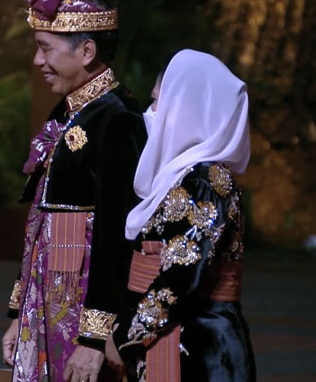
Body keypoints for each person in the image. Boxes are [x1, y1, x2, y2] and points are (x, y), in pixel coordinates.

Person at [1, 0, 147, 382]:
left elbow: (118, 235)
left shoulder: (117, 120)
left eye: (46, 49)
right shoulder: (69, 109)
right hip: (46, 301)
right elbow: (39, 223)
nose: (36, 60)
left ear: (86, 52)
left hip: (80, 314)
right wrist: (19, 313)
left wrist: (96, 338)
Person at [97, 49, 257, 381]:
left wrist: (121, 336)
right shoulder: (182, 175)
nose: (150, 112)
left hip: (198, 348)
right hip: (171, 336)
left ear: (190, 112)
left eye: (158, 102)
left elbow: (180, 278)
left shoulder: (205, 181)